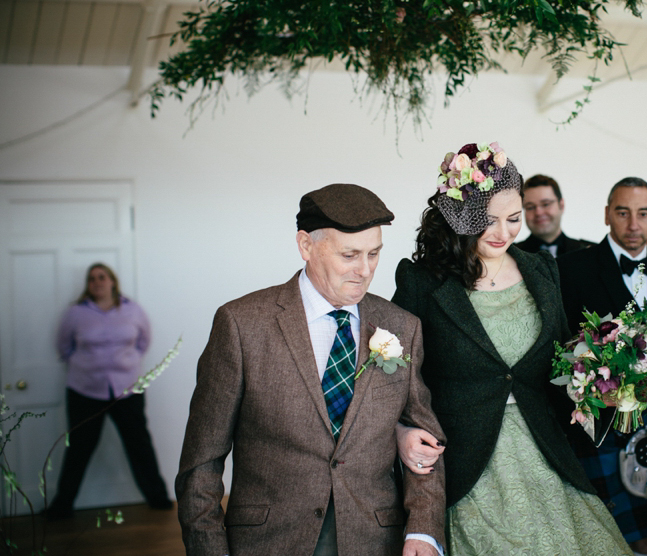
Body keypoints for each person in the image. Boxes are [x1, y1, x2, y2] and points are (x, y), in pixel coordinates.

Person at [176, 185, 446, 556]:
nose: (364, 270)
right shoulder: (241, 325)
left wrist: (423, 532)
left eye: (374, 254)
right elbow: (201, 462)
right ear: (306, 245)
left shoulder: (402, 326)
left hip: (373, 540)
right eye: (349, 255)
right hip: (269, 542)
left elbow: (424, 443)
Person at [392, 143, 631, 555]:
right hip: (467, 463)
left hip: (546, 454)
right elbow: (394, 376)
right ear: (460, 216)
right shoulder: (422, 281)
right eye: (489, 220)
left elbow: (560, 363)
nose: (504, 232)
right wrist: (399, 431)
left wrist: (603, 381)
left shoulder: (542, 270)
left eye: (514, 219)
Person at [557, 178, 647, 556]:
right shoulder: (571, 268)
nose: (633, 224)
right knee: (611, 534)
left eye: (644, 213)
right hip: (602, 422)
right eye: (623, 212)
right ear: (606, 215)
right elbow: (562, 343)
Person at [46, 263, 172, 520]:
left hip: (128, 390)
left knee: (140, 445)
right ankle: (61, 507)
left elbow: (143, 341)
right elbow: (63, 347)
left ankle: (158, 499)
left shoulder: (132, 309)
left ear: (112, 281)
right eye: (92, 278)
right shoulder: (75, 313)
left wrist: (126, 362)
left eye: (102, 277)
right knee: (78, 448)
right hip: (85, 391)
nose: (97, 282)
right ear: (87, 284)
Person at [516, 174, 593, 257]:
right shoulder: (510, 255)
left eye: (545, 204)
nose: (538, 212)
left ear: (561, 205)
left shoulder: (589, 252)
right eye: (530, 207)